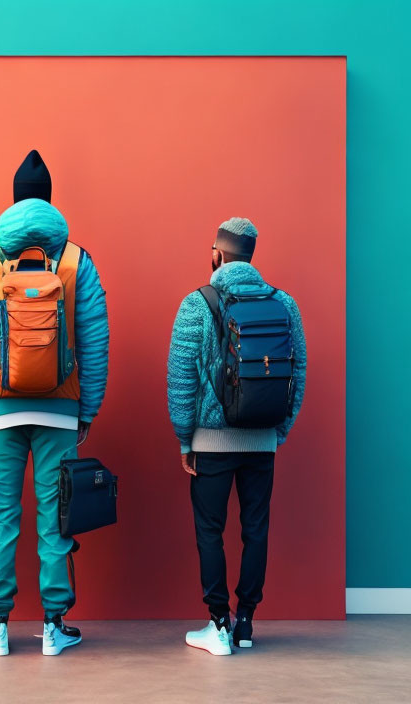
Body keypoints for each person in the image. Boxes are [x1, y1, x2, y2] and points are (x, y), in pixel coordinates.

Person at [0, 150, 109, 656]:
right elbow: (95, 340)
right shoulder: (75, 260)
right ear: (50, 200)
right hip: (59, 409)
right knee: (57, 515)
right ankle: (54, 628)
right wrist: (87, 410)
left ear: (14, 198)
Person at [167, 217, 307, 656]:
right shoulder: (285, 304)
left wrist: (185, 439)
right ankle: (245, 622)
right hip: (261, 440)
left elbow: (180, 380)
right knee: (255, 529)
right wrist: (278, 431)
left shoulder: (197, 303)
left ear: (217, 254)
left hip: (211, 441)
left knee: (210, 531)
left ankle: (218, 625)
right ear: (250, 255)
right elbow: (298, 372)